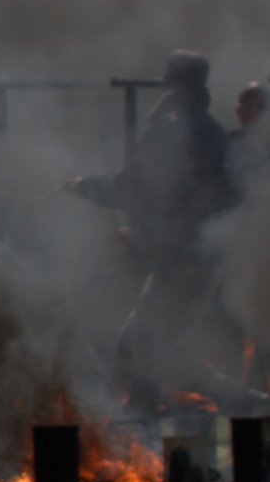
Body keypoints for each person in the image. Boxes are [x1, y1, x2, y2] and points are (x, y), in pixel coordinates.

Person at [70, 51, 241, 412]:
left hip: (181, 262)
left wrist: (84, 186)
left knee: (138, 348)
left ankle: (240, 399)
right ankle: (143, 441)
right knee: (137, 348)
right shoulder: (212, 131)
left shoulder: (172, 129)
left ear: (167, 82)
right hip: (199, 260)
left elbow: (133, 187)